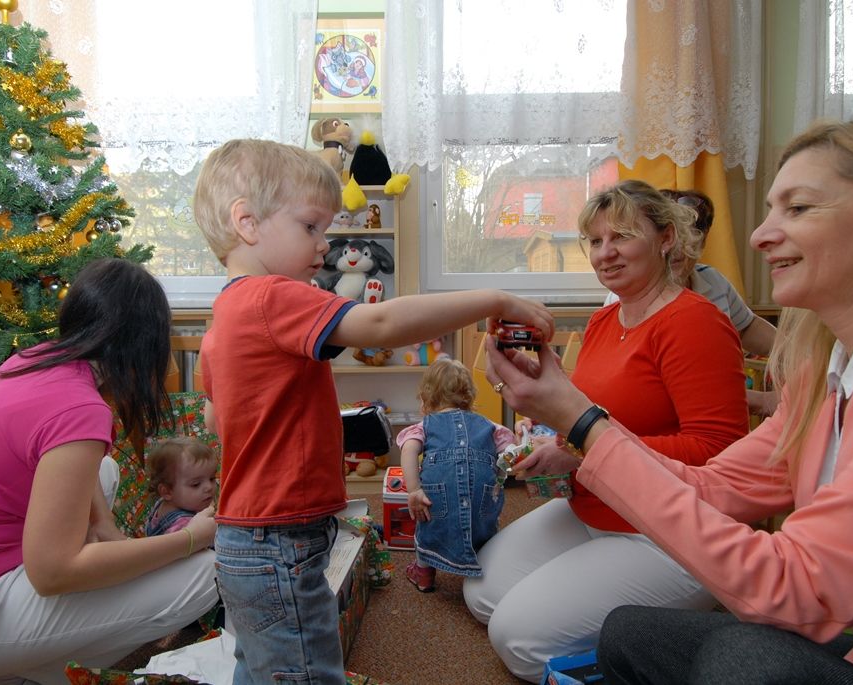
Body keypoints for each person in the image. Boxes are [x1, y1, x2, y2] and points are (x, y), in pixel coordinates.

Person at [483, 105, 853, 684]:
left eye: (800, 208)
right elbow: (714, 486)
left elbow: (792, 583)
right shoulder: (822, 375)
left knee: (737, 659)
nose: (759, 235)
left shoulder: (696, 320)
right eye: (595, 240)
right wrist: (570, 429)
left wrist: (583, 429)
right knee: (621, 631)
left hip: (727, 564)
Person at [191, 138, 554, 685]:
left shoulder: (225, 313)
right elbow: (381, 324)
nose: (325, 243)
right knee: (305, 673)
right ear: (247, 223)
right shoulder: (271, 296)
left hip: (247, 536)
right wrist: (495, 300)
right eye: (310, 227)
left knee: (264, 666)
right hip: (280, 538)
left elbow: (215, 421)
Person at [0, 258, 219, 685]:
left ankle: (18, 663)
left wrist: (108, 532)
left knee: (104, 471)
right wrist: (191, 539)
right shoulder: (78, 409)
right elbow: (53, 571)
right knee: (206, 574)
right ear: (144, 341)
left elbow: (79, 488)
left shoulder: (36, 361)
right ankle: (37, 673)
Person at [463, 179, 750, 682]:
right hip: (596, 502)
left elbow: (717, 451)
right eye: (595, 241)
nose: (605, 253)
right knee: (482, 591)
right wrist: (541, 396)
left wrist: (581, 453)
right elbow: (591, 413)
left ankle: (661, 646)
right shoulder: (605, 320)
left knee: (518, 639)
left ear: (666, 238)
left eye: (622, 236)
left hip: (668, 533)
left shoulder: (694, 322)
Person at [603, 188, 778, 416]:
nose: (678, 250)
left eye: (691, 239)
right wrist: (760, 401)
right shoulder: (625, 297)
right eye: (671, 239)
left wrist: (797, 352)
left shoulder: (712, 280)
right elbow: (645, 390)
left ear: (702, 244)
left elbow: (747, 327)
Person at [397, 359, 518, 593]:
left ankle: (423, 574)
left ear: (426, 398)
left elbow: (409, 449)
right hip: (482, 496)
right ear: (469, 396)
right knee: (484, 527)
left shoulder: (425, 425)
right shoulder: (489, 426)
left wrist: (414, 490)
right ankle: (487, 568)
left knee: (426, 525)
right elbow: (510, 450)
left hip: (437, 496)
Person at [144, 436, 219, 537]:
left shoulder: (164, 503)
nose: (209, 487)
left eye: (212, 478)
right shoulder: (184, 527)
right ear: (167, 492)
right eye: (196, 484)